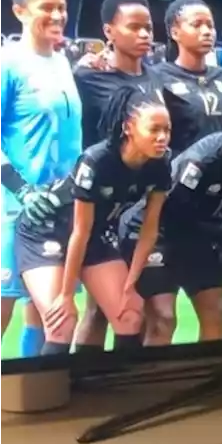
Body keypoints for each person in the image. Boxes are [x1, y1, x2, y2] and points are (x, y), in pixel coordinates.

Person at [16, 85, 171, 354]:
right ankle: (50, 391)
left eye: (167, 130)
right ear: (129, 127)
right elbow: (79, 231)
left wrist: (129, 285)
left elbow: (149, 230)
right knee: (62, 323)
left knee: (130, 314)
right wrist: (66, 295)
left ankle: (109, 388)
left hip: (95, 233)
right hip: (46, 232)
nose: (162, 138)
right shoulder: (96, 160)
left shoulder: (160, 163)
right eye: (154, 129)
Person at [118, 94, 222, 343]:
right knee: (163, 318)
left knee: (217, 309)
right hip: (158, 234)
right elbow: (173, 216)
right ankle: (152, 378)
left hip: (198, 239)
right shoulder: (204, 160)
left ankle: (209, 374)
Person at [0, 0, 82, 357]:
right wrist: (22, 190)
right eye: (46, 7)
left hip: (61, 206)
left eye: (61, 7)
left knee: (45, 311)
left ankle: (35, 384)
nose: (57, 14)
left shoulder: (63, 61)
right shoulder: (8, 64)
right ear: (19, 11)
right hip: (13, 209)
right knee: (3, 305)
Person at [71, 0, 156, 353]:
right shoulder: (88, 77)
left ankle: (122, 378)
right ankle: (81, 376)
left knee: (136, 302)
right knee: (99, 307)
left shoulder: (157, 79)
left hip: (143, 206)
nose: (144, 34)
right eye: (134, 27)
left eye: (149, 28)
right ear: (109, 31)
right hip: (100, 205)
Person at [151, 0, 222, 152]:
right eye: (196, 25)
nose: (206, 32)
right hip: (180, 169)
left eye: (210, 26)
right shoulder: (158, 77)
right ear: (175, 32)